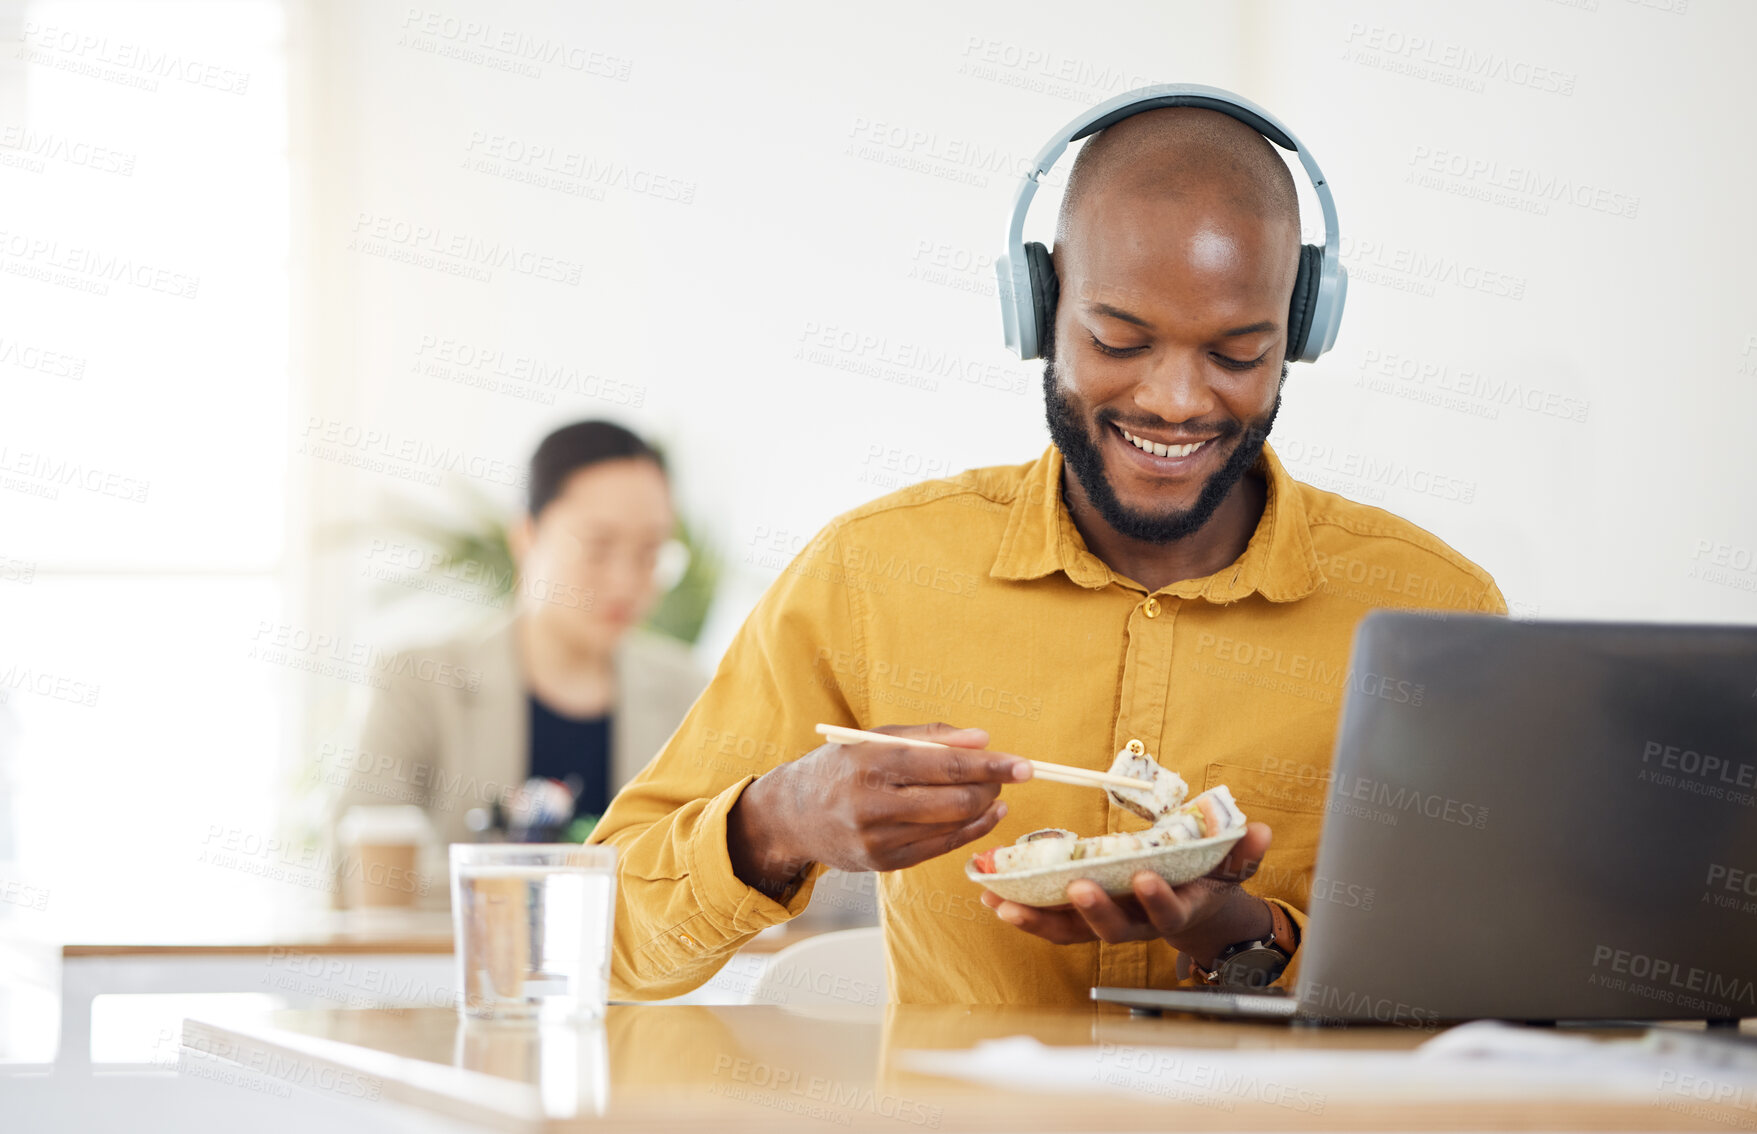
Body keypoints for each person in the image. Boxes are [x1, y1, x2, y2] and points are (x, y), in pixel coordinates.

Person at [589, 105, 1504, 1004]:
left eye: (1237, 353)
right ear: (1038, 308)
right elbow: (605, 941)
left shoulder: (1433, 613)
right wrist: (779, 822)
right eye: (1118, 341)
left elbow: (1501, 978)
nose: (1178, 400)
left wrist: (1237, 937)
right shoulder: (873, 573)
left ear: (1300, 334)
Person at [329, 421, 705, 899]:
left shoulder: (688, 692)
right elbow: (355, 873)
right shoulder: (420, 681)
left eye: (650, 552)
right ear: (526, 534)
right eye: (598, 547)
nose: (626, 581)